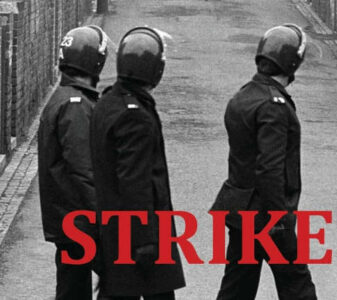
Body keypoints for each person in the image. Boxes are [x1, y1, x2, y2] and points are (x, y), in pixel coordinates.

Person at [210, 24, 318, 300]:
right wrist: (280, 222)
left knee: (237, 288)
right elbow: (270, 169)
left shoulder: (243, 96)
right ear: (292, 63)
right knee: (298, 287)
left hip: (240, 212)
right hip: (267, 217)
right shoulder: (274, 105)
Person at [91, 27, 185, 300]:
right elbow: (136, 183)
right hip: (142, 237)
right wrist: (146, 241)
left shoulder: (107, 103)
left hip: (113, 229)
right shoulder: (136, 117)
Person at [38, 25, 108, 300]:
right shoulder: (76, 104)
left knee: (71, 288)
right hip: (80, 222)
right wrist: (106, 216)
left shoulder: (65, 97)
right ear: (96, 61)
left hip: (67, 219)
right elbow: (83, 169)